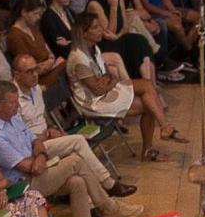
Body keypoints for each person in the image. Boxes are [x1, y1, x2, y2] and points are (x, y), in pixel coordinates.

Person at [0, 78, 136, 217]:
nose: (17, 106)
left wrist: (41, 154)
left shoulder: (12, 115)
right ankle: (107, 205)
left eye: (17, 100)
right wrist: (39, 156)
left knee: (77, 182)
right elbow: (28, 168)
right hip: (23, 184)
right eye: (12, 102)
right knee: (75, 162)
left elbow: (35, 140)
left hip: (36, 161)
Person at [68, 11, 178, 158]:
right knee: (148, 106)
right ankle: (149, 148)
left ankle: (164, 126)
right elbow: (98, 90)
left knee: (147, 85)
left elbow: (108, 74)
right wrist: (110, 80)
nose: (101, 29)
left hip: (107, 90)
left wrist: (109, 80)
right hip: (94, 102)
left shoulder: (94, 48)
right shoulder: (78, 58)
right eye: (95, 27)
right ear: (84, 33)